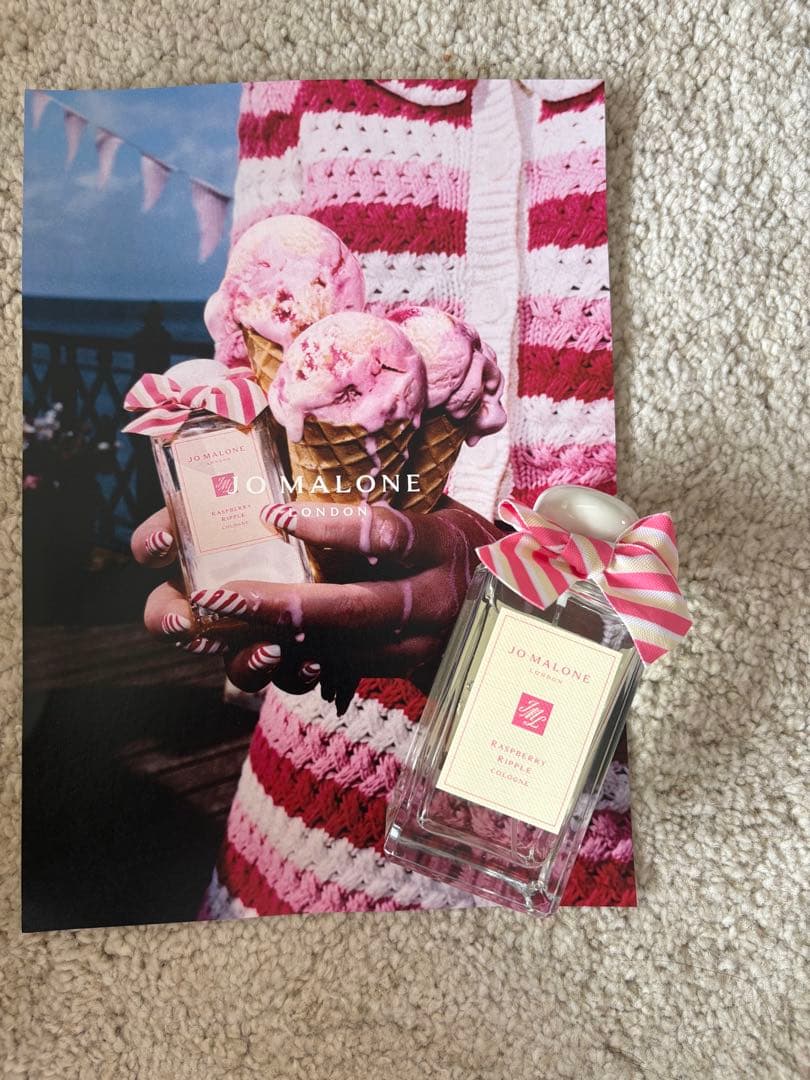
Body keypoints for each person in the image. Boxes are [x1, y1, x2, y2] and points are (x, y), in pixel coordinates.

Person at [130, 79, 633, 916]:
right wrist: (242, 543)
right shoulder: (300, 73)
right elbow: (250, 369)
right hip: (317, 807)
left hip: (615, 832)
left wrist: (514, 573)